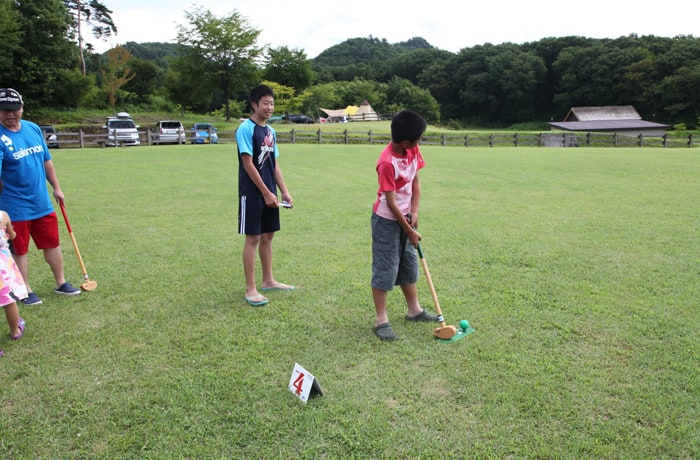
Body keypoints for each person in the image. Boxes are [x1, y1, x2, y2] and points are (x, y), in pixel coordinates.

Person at [0, 88, 81, 306]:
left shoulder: (33, 129)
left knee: (52, 244)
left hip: (41, 202)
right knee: (20, 249)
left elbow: (47, 160)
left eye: (14, 109)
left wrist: (56, 187)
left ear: (22, 107)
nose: (10, 114)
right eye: (4, 110)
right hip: (14, 207)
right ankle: (24, 289)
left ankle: (61, 282)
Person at [371, 110, 439, 341]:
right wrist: (409, 230)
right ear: (406, 142)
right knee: (386, 268)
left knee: (409, 264)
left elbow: (415, 181)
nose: (420, 142)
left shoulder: (412, 151)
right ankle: (381, 320)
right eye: (419, 138)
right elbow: (390, 202)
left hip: (406, 216)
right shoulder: (387, 163)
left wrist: (415, 211)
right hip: (386, 221)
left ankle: (414, 310)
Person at [236, 84, 294, 307]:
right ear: (254, 104)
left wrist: (284, 191)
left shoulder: (271, 132)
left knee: (268, 236)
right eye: (266, 103)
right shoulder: (246, 129)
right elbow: (247, 163)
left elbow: (274, 164)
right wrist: (266, 192)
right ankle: (250, 289)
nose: (270, 107)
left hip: (270, 193)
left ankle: (268, 280)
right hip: (252, 193)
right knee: (253, 238)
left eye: (272, 103)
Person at [0, 180, 28, 357]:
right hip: (2, 269)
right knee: (9, 301)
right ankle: (15, 331)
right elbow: (12, 235)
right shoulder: (3, 216)